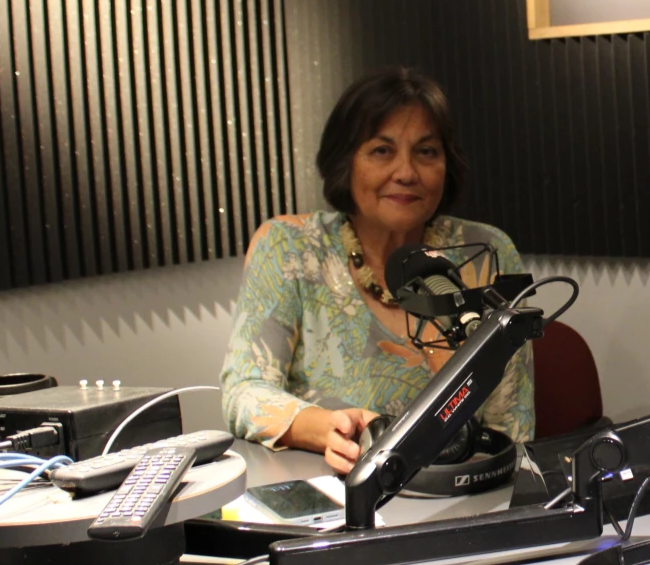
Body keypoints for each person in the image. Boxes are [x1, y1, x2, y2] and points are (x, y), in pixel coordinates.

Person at [220, 68, 534, 474]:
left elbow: (513, 426)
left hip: (456, 500)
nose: (406, 172)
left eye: (426, 152)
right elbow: (244, 391)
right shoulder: (289, 248)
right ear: (345, 161)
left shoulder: (488, 255)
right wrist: (326, 429)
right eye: (382, 150)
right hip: (333, 500)